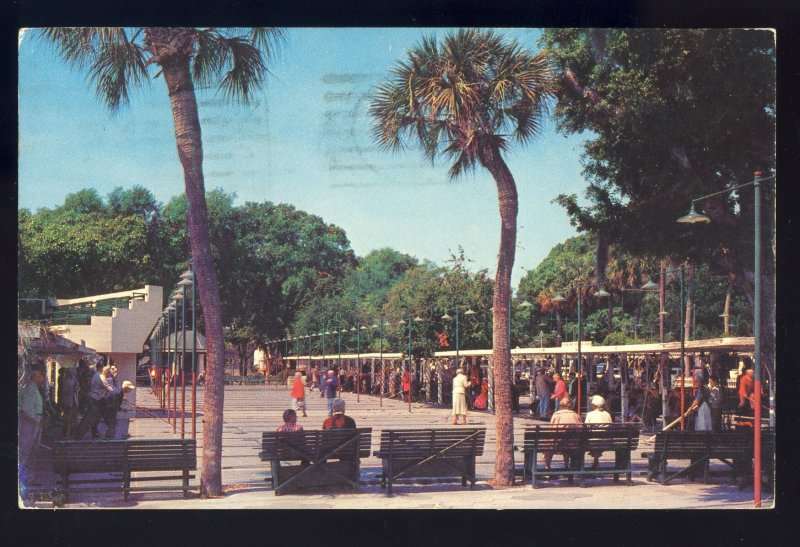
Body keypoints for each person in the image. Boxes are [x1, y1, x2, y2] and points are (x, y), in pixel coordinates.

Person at [74, 362, 116, 439]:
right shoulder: (100, 376)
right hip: (94, 399)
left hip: (95, 398)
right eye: (110, 373)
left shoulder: (97, 375)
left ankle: (93, 432)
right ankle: (79, 434)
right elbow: (108, 387)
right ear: (106, 372)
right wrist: (117, 391)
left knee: (93, 417)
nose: (110, 375)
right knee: (90, 418)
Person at [544, 397, 583, 469]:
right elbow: (580, 430)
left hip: (558, 444)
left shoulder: (556, 415)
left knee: (549, 445)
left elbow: (552, 430)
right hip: (573, 445)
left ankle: (547, 466)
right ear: (571, 405)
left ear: (560, 405)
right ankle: (566, 465)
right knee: (568, 440)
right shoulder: (576, 415)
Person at [584, 395, 613, 469]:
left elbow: (586, 427)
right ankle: (595, 461)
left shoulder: (590, 414)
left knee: (590, 440)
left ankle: (595, 461)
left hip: (593, 442)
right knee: (598, 439)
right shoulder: (607, 414)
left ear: (594, 405)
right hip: (606, 442)